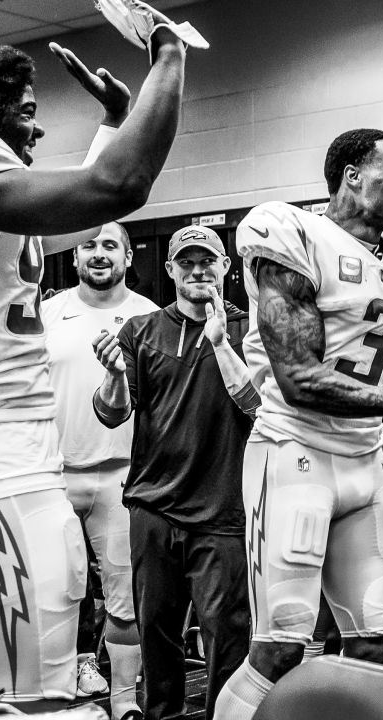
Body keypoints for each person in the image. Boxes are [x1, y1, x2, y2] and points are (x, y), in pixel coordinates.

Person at [212, 129, 383, 720]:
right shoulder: (290, 231)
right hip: (294, 450)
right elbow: (299, 379)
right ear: (352, 176)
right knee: (280, 646)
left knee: (378, 646)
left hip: (368, 463)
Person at [0, 21, 187, 712]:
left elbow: (73, 213)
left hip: (11, 457)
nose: (32, 133)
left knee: (22, 690)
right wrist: (170, 59)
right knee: (29, 699)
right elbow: (118, 186)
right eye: (26, 114)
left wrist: (115, 119)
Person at [92, 226, 257, 720]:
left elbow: (260, 408)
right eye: (186, 263)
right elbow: (111, 413)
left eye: (207, 261)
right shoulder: (140, 331)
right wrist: (116, 376)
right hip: (152, 509)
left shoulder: (251, 330)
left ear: (226, 267)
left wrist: (222, 344)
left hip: (222, 514)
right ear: (170, 271)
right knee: (157, 643)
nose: (198, 271)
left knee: (228, 643)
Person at [42, 222, 158, 719]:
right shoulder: (48, 314)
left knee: (124, 599)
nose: (98, 253)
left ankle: (124, 701)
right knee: (55, 593)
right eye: (88, 244)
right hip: (53, 475)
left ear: (128, 257)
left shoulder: (151, 317)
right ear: (74, 255)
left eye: (110, 245)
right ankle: (63, 683)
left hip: (123, 477)